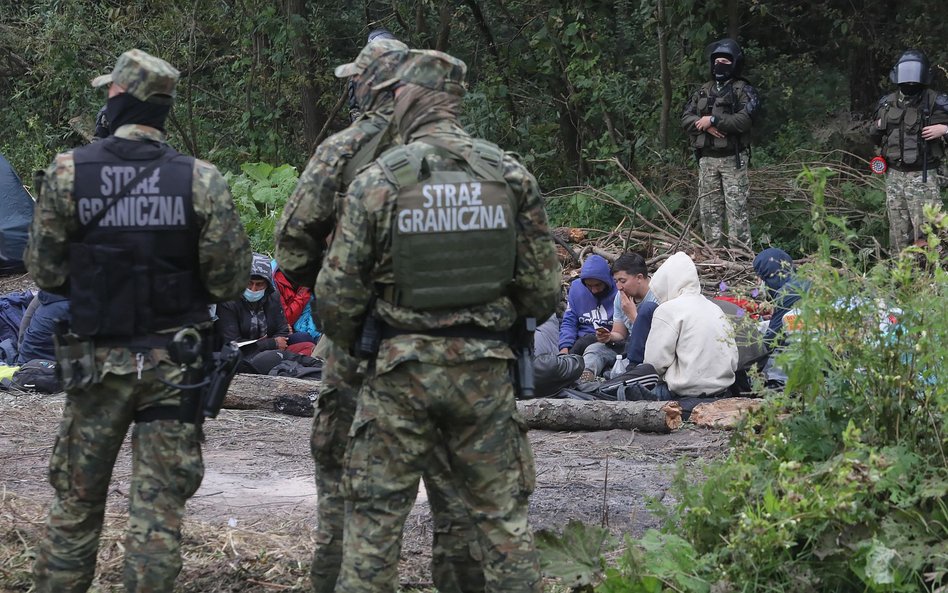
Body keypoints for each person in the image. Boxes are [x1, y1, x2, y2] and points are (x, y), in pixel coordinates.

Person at [315, 49, 560, 592]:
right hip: (486, 377)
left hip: (399, 374)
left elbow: (335, 300)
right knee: (502, 523)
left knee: (375, 526)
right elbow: (544, 292)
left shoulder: (379, 181)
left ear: (409, 95)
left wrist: (369, 333)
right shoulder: (510, 175)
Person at [24, 49, 251, 592]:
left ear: (119, 99)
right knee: (157, 514)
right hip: (175, 367)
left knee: (76, 503)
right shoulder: (200, 179)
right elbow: (229, 283)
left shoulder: (68, 171)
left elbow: (45, 274)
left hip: (96, 364)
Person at [275, 40, 486, 593]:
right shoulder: (471, 156)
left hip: (357, 343)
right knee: (457, 492)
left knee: (346, 489)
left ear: (373, 84)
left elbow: (292, 246)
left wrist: (340, 284)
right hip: (456, 349)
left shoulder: (344, 150)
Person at [681, 38, 760, 250]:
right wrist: (704, 125)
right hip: (707, 161)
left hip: (733, 160)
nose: (720, 65)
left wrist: (715, 120)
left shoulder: (743, 90)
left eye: (725, 61)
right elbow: (686, 118)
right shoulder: (703, 91)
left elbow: (745, 120)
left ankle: (740, 258)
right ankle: (713, 258)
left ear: (734, 63)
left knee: (737, 212)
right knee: (708, 211)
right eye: (717, 60)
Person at [627, 252, 738, 400]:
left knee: (624, 393)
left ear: (666, 283)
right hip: (722, 390)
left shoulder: (668, 310)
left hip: (683, 392)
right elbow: (733, 358)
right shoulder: (715, 309)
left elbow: (654, 364)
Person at [870, 49, 948, 252]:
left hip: (924, 177)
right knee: (898, 235)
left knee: (931, 234)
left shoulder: (937, 102)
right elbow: (874, 135)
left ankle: (933, 279)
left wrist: (945, 129)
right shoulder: (886, 103)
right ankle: (902, 278)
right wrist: (876, 127)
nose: (910, 81)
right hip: (894, 176)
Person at [216, 252, 315, 360]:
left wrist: (275, 343)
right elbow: (232, 343)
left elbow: (282, 330)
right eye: (249, 283)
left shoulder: (273, 297)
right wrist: (269, 343)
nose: (253, 289)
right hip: (244, 354)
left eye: (259, 284)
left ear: (267, 284)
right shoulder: (228, 302)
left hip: (272, 348)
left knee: (305, 340)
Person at [583, 253, 660, 376]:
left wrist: (633, 315)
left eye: (622, 281)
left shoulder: (658, 296)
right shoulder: (620, 296)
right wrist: (609, 336)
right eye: (616, 281)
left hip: (647, 351)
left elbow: (659, 340)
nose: (619, 287)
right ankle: (586, 376)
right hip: (627, 346)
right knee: (594, 349)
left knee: (628, 368)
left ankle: (615, 378)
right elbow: (620, 333)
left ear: (639, 278)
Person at [753, 247, 809, 387]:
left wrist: (750, 367)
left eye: (760, 277)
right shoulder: (803, 282)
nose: (759, 282)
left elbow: (771, 341)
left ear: (769, 274)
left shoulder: (787, 293)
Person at [558, 254, 616, 374]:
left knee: (590, 344)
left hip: (608, 343)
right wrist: (564, 347)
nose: (594, 290)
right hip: (578, 341)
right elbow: (569, 321)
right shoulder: (576, 288)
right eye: (589, 286)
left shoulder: (618, 292)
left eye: (598, 285)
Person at [15, 290, 69, 364]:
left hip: (26, 360)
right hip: (46, 367)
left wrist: (21, 349)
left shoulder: (48, 292)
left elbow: (26, 320)